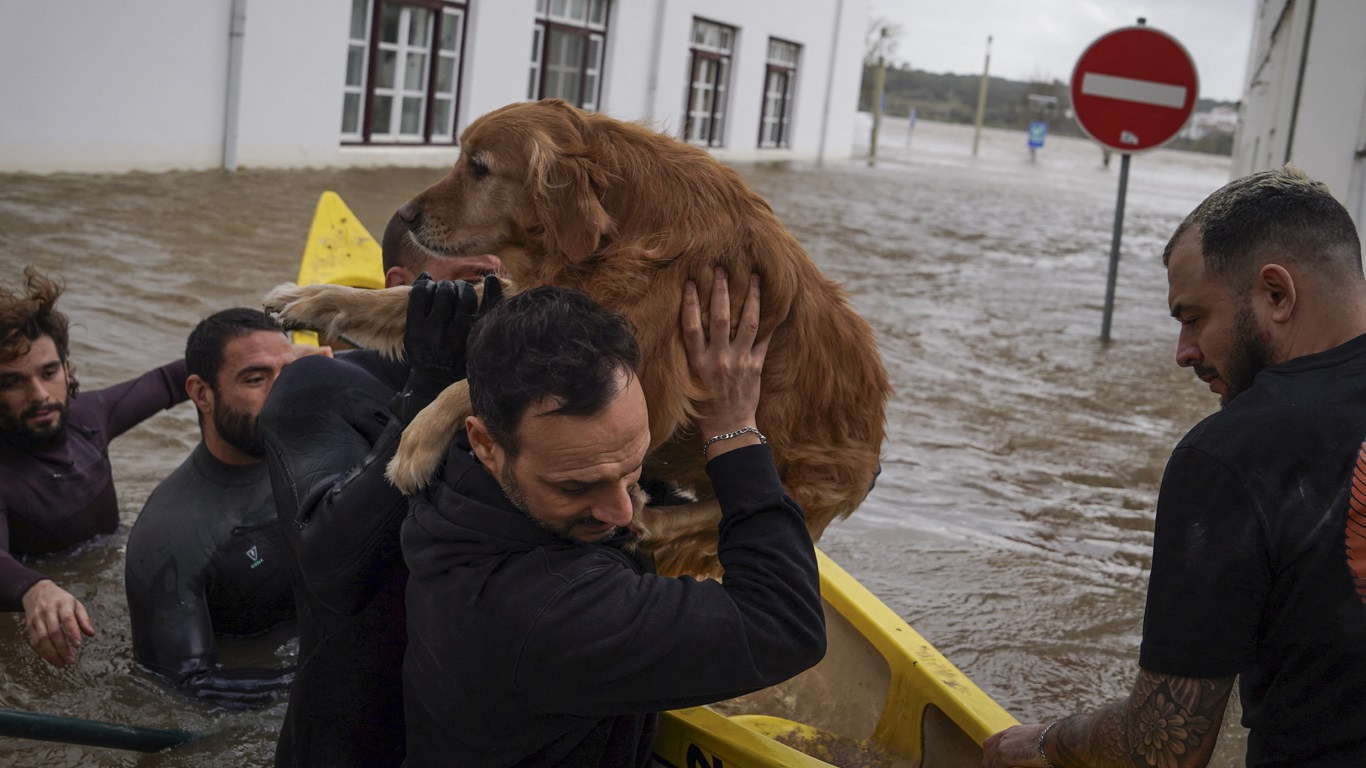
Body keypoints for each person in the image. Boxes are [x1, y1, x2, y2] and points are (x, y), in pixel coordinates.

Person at [982, 166, 1366, 767]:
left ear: (1276, 294)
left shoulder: (1231, 454)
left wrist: (1046, 741)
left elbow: (1162, 746)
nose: (1184, 353)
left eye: (1193, 319)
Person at [400, 272, 828, 767]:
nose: (624, 512)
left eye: (632, 470)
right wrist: (733, 429)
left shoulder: (452, 486)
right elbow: (785, 625)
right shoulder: (552, 614)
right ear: (485, 443)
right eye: (576, 486)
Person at [261, 217, 505, 768]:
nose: (498, 306)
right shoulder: (321, 386)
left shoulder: (542, 396)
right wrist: (433, 381)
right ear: (402, 288)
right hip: (354, 738)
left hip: (482, 732)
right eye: (477, 283)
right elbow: (335, 569)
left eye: (512, 288)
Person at [0, 266, 188, 669]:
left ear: (66, 369)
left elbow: (174, 379)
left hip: (109, 569)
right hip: (54, 608)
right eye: (12, 383)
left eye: (49, 373)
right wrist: (34, 589)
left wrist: (278, 354)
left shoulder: (91, 415)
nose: (39, 394)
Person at [125, 308, 309, 708]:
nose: (282, 394)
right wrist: (331, 673)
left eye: (289, 373)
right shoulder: (171, 533)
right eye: (256, 379)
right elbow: (187, 684)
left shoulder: (320, 449)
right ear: (201, 393)